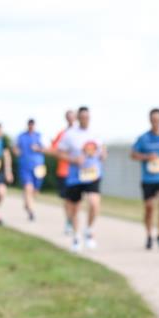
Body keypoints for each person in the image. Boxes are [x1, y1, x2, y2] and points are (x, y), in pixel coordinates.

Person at [57, 106, 106, 252]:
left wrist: (103, 154)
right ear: (78, 118)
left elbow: (103, 150)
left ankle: (89, 231)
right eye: (82, 117)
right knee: (74, 208)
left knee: (94, 203)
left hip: (93, 174)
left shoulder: (96, 134)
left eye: (87, 117)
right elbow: (59, 153)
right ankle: (77, 237)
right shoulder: (70, 135)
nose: (85, 119)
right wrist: (72, 160)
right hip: (75, 176)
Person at [131, 108, 159, 250]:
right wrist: (146, 157)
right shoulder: (143, 138)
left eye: (158, 120)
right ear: (150, 120)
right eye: (153, 120)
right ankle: (149, 235)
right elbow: (133, 154)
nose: (156, 122)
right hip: (148, 179)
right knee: (149, 208)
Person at [50, 110, 77, 235]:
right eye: (68, 117)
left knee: (76, 201)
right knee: (67, 199)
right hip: (64, 170)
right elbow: (55, 150)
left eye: (73, 117)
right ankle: (68, 221)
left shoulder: (82, 133)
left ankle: (73, 221)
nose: (71, 119)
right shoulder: (62, 134)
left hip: (78, 172)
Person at [15, 119, 47, 221]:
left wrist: (38, 148)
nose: (31, 127)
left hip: (38, 167)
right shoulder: (21, 136)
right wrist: (17, 152)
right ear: (28, 125)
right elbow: (15, 148)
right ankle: (31, 212)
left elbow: (46, 149)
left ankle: (27, 203)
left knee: (35, 191)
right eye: (30, 125)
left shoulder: (39, 136)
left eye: (32, 125)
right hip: (25, 166)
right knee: (28, 188)